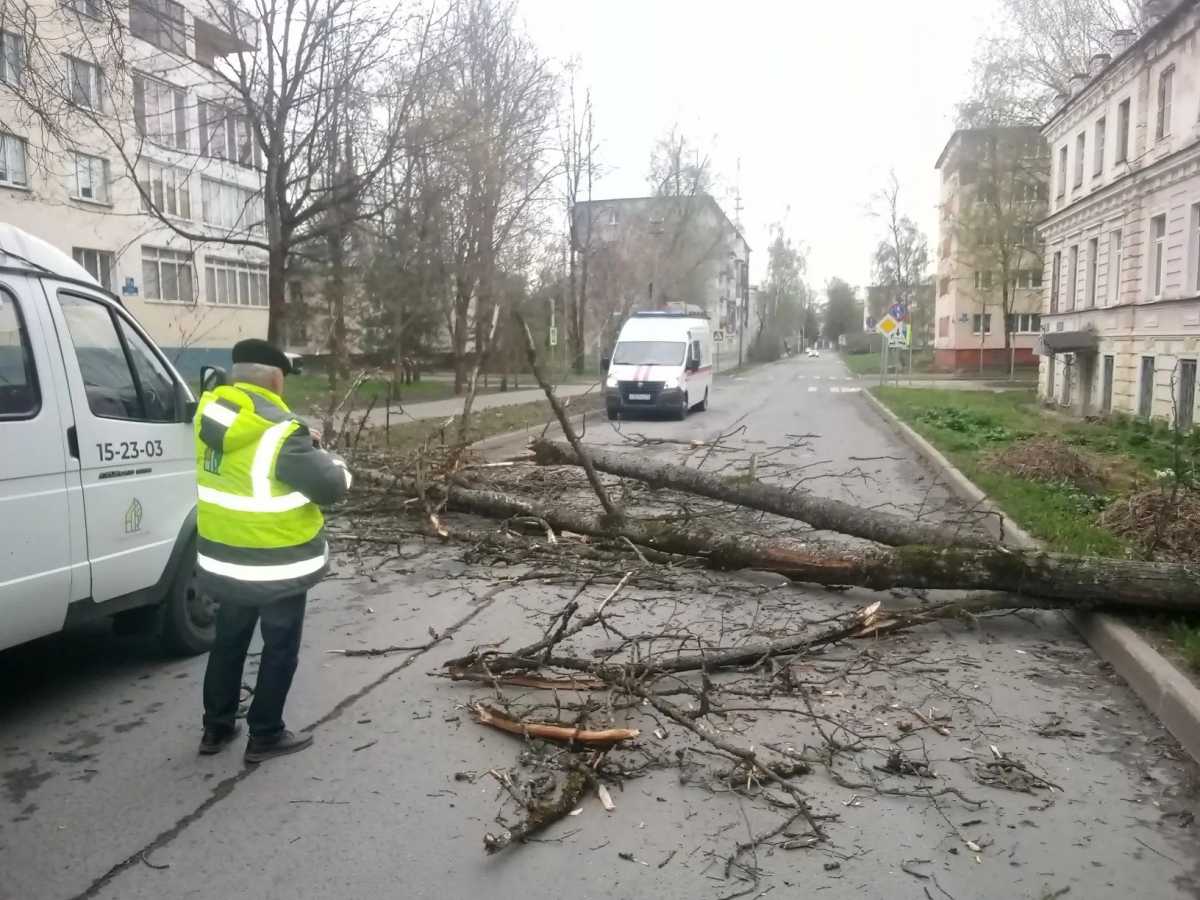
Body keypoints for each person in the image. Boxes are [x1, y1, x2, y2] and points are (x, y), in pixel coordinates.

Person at [195, 339, 352, 763]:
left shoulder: (209, 416)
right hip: (276, 562)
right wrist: (331, 459)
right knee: (279, 646)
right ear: (277, 380)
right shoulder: (283, 434)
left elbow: (249, 458)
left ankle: (216, 727)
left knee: (229, 640)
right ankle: (265, 733)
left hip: (225, 556)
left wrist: (302, 438)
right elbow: (330, 488)